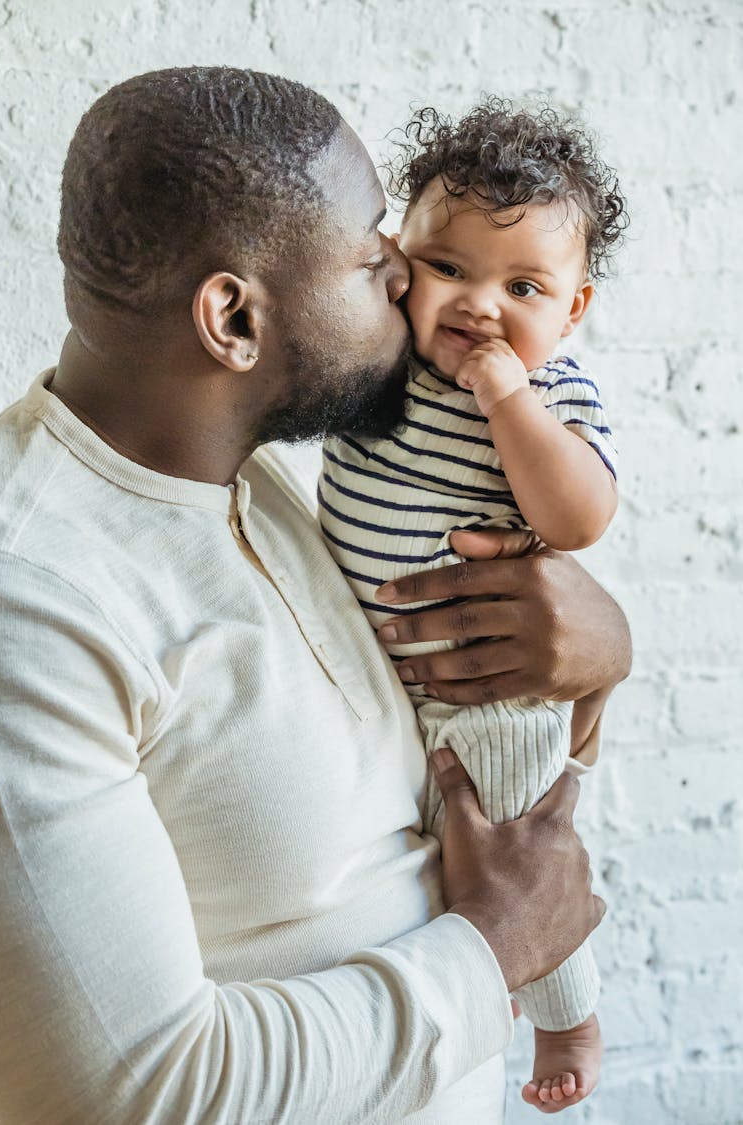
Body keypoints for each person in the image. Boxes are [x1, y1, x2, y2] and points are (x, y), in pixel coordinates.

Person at [0, 68, 629, 1125]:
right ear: (233, 317)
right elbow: (124, 1091)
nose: (406, 282)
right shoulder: (30, 605)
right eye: (376, 247)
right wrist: (502, 943)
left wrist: (603, 643)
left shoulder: (246, 482)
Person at [319, 99, 629, 1112]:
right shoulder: (380, 366)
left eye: (524, 286)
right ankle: (471, 998)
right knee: (425, 865)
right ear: (396, 262)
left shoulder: (553, 395)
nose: (480, 305)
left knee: (504, 844)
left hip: (482, 689)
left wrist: (508, 403)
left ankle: (567, 1013)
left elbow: (580, 517)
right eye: (449, 268)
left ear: (572, 310)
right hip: (385, 675)